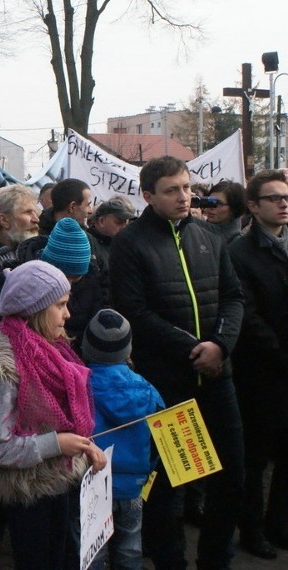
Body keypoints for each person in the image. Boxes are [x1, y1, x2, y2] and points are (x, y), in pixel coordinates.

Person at [109, 155, 245, 569]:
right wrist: (196, 349)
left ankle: (215, 561)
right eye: (172, 190)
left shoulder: (209, 235)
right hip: (169, 385)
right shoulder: (131, 244)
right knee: (173, 484)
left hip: (218, 377)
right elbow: (135, 311)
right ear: (148, 196)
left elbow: (233, 297)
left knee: (232, 477)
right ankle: (171, 563)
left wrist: (220, 345)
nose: (184, 197)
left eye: (187, 187)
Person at [0, 260, 106, 570]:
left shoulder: (51, 350)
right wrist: (57, 445)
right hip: (29, 492)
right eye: (60, 305)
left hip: (61, 480)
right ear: (35, 309)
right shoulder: (3, 368)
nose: (68, 314)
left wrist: (85, 447)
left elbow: (64, 422)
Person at [228, 169, 288, 558]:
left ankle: (279, 525)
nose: (284, 204)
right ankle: (251, 531)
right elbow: (245, 313)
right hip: (261, 370)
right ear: (252, 206)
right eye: (274, 198)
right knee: (255, 457)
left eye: (287, 198)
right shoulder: (239, 252)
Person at [82, 309, 165, 570]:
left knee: (93, 554)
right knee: (130, 551)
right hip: (133, 488)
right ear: (128, 349)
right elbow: (159, 441)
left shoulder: (81, 385)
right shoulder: (148, 389)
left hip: (92, 486)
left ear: (86, 345)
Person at [39, 217, 104, 351]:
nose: (67, 285)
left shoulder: (92, 280)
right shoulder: (32, 282)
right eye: (63, 276)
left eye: (75, 278)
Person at [0, 184, 40, 273]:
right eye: (28, 212)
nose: (36, 219)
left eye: (35, 213)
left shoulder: (42, 253)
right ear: (4, 220)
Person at [87, 196, 137, 274]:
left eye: (126, 223)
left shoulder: (123, 246)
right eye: (119, 222)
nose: (124, 227)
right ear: (102, 221)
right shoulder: (86, 242)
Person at [205, 180, 246, 245]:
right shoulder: (197, 233)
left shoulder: (240, 244)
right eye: (210, 201)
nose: (211, 207)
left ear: (233, 209)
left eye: (220, 203)